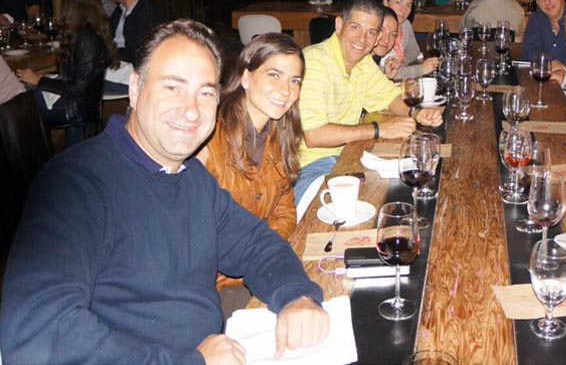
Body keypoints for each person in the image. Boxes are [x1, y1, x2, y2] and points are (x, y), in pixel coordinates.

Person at [0, 19, 330, 364]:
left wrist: (297, 297)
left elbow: (254, 243)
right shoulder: (75, 185)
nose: (191, 110)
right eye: (173, 87)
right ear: (135, 89)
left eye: (205, 92)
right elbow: (37, 335)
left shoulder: (191, 178)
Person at [294, 0, 443, 205]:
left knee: (409, 191)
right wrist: (379, 129)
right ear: (339, 25)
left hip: (348, 158)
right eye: (355, 27)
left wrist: (416, 113)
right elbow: (314, 135)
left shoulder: (363, 62)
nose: (362, 39)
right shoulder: (315, 62)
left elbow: (390, 96)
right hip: (310, 168)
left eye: (371, 32)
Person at [196, 33, 304, 313]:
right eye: (274, 75)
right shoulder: (208, 140)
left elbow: (284, 211)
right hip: (210, 288)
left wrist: (266, 253)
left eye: (295, 81)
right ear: (246, 77)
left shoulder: (280, 136)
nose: (286, 90)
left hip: (255, 270)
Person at [16, 0, 117, 138]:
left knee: (15, 102)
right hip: (81, 102)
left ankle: (29, 155)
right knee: (19, 93)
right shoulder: (90, 31)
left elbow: (77, 88)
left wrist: (39, 80)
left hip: (75, 106)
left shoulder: (87, 38)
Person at [520, 0, 566, 84]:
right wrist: (550, 62)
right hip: (549, 85)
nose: (547, 1)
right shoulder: (537, 19)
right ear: (537, 2)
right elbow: (528, 50)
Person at [108, 0, 161, 65]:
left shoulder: (146, 13)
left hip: (132, 67)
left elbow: (139, 52)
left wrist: (111, 52)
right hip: (117, 63)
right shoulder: (119, 10)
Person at [384, 0, 439, 75]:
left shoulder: (405, 25)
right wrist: (420, 70)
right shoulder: (375, 28)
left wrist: (402, 62)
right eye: (398, 2)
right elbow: (376, 74)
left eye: (408, 5)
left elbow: (414, 50)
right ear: (385, 2)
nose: (403, 10)